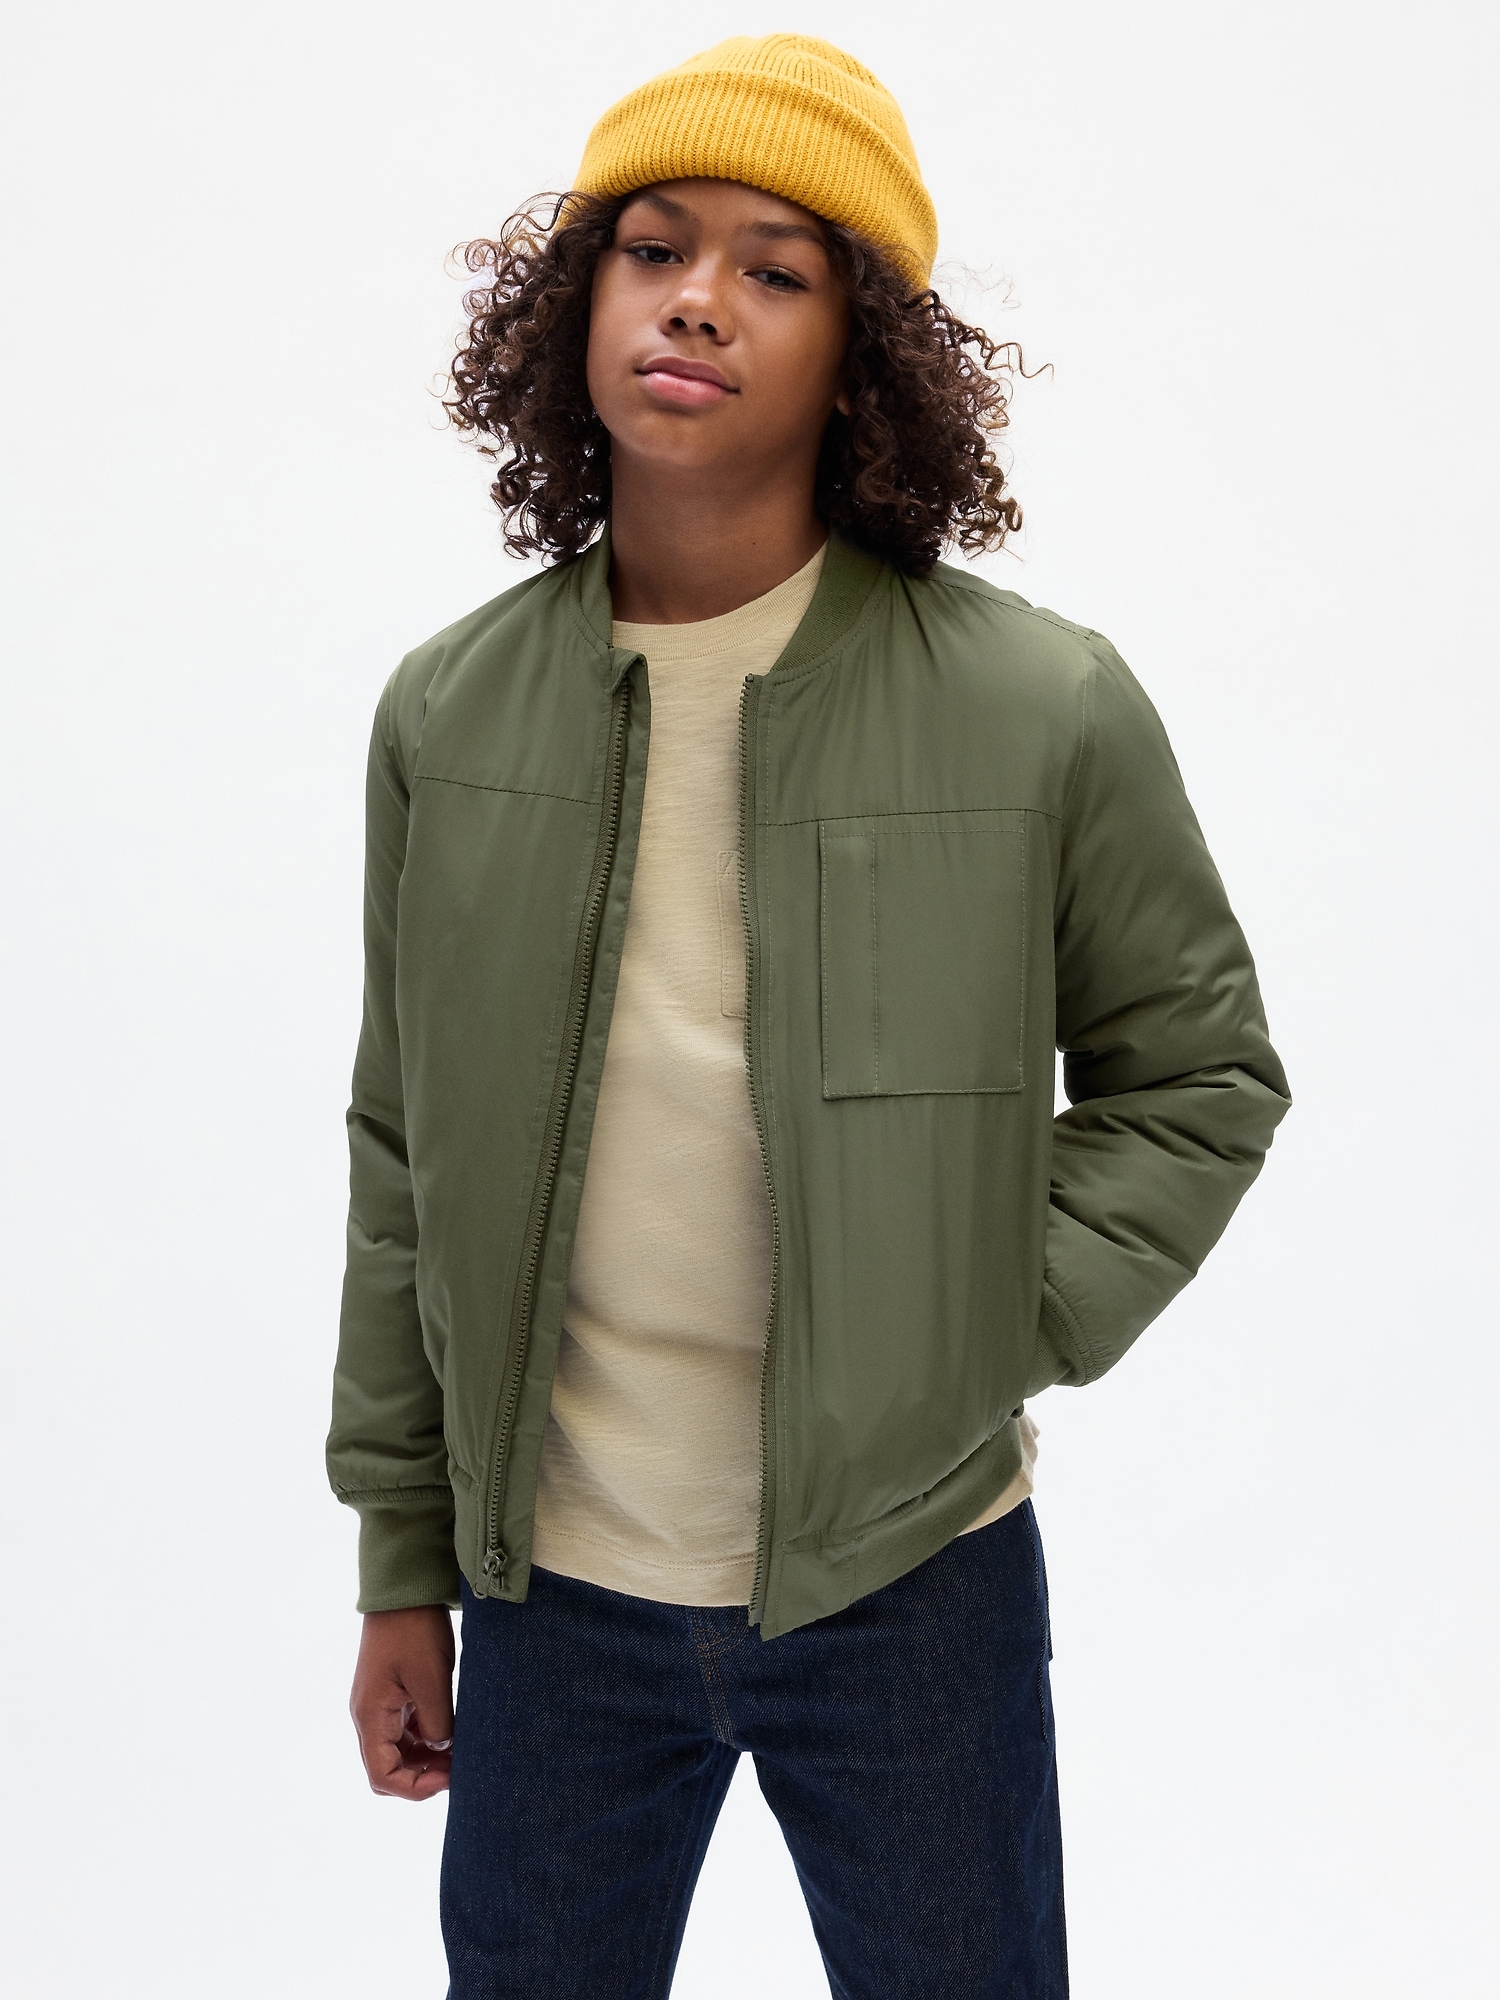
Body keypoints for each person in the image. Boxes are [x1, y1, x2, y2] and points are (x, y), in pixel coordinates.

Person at [326, 34, 1289, 1998]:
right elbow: (402, 1151)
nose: (698, 298)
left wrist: (982, 1322)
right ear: (573, 301)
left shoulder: (1037, 707)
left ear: (864, 358)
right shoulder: (449, 710)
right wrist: (400, 1559)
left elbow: (1199, 1079)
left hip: (912, 1575)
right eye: (654, 246)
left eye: (776, 269)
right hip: (553, 1592)